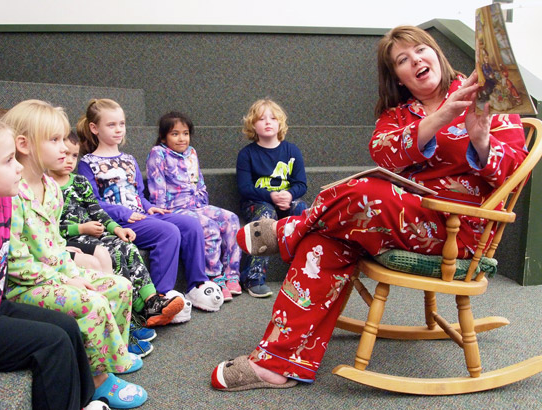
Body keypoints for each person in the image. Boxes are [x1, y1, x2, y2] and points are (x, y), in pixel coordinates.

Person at [211, 25, 527, 391]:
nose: (415, 61)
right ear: (399, 78)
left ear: (436, 52)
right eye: (402, 61)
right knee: (323, 244)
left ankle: (290, 229)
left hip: (456, 231)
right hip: (393, 220)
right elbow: (382, 152)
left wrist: (480, 136)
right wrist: (440, 118)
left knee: (364, 191)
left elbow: (514, 174)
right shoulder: (399, 114)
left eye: (420, 50)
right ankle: (275, 363)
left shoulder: (484, 96)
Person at [0, 114, 101, 409]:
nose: (18, 167)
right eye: (7, 161)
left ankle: (83, 401)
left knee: (66, 325)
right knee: (51, 343)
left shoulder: (2, 199)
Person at [2, 100, 147, 409]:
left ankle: (108, 361)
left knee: (119, 286)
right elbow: (17, 265)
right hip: (24, 287)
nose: (63, 147)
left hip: (55, 274)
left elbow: (54, 243)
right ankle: (96, 381)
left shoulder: (51, 188)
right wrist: (70, 281)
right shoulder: (10, 195)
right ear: (23, 144)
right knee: (90, 302)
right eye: (53, 140)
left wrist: (73, 275)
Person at [77, 99, 224, 312]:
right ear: (94, 128)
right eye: (111, 125)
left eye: (122, 124)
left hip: (141, 215)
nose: (119, 129)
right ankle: (162, 294)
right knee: (168, 232)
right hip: (118, 221)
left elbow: (138, 194)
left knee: (191, 224)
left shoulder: (128, 159)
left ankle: (197, 284)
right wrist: (124, 212)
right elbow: (92, 203)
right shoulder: (87, 163)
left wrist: (148, 206)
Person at [47, 130, 185, 333]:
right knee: (114, 255)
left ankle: (152, 301)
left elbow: (96, 210)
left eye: (74, 156)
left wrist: (117, 228)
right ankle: (136, 310)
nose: (69, 160)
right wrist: (80, 228)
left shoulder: (79, 182)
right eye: (65, 154)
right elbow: (48, 226)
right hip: (70, 237)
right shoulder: (48, 187)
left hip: (92, 232)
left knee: (127, 247)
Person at [146, 111, 242, 301]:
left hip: (196, 206)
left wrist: (203, 205)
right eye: (175, 134)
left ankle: (232, 274)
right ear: (163, 137)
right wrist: (163, 213)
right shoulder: (158, 153)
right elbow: (157, 186)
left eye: (185, 133)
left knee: (231, 218)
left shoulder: (192, 153)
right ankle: (215, 278)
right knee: (209, 227)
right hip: (174, 209)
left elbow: (200, 183)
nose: (182, 138)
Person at [236, 98, 308, 298]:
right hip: (257, 202)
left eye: (273, 118)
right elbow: (245, 188)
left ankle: (306, 271)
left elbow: (301, 184)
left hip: (285, 200)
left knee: (302, 210)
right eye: (261, 119)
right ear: (253, 124)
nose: (268, 122)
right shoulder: (247, 154)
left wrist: (289, 195)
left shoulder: (292, 151)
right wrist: (270, 196)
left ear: (280, 123)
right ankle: (253, 276)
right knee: (267, 217)